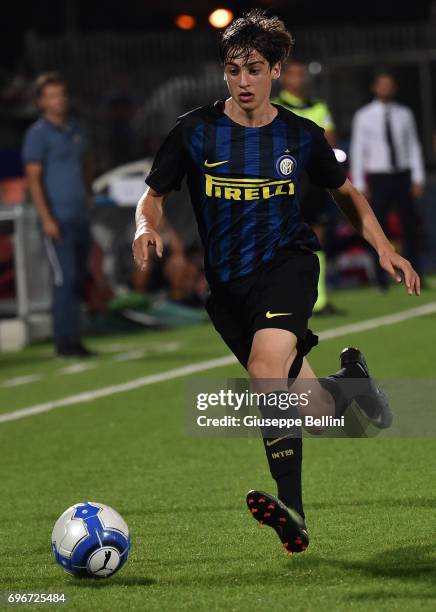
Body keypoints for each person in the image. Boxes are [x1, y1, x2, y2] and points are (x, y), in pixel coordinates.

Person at [132, 11, 419, 555]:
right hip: (227, 291)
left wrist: (385, 248)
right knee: (312, 409)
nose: (243, 81)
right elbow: (153, 195)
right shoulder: (194, 132)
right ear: (224, 72)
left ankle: (294, 511)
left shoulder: (299, 135)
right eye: (234, 69)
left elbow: (346, 194)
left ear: (277, 70)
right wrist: (147, 226)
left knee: (267, 370)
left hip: (287, 266)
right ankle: (352, 383)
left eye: (255, 69)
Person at [22, 72, 95, 358]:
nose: (59, 100)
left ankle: (74, 337)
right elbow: (33, 180)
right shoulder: (37, 135)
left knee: (78, 278)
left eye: (61, 94)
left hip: (79, 216)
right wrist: (47, 218)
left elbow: (86, 163)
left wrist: (87, 195)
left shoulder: (75, 129)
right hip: (58, 219)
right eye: (52, 96)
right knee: (64, 278)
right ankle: (63, 340)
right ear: (41, 102)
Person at [273, 59, 341, 315]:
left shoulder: (319, 106)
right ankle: (283, 297)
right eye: (294, 75)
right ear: (283, 78)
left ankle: (320, 300)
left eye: (301, 75)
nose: (298, 79)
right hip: (285, 180)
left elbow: (330, 140)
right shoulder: (275, 107)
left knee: (317, 237)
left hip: (313, 179)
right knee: (283, 239)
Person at [350, 70, 425, 290]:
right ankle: (381, 279)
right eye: (381, 84)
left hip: (402, 175)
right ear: (375, 88)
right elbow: (358, 150)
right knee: (377, 226)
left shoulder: (405, 114)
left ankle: (415, 273)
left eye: (389, 85)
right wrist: (360, 185)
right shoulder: (363, 116)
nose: (385, 89)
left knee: (409, 226)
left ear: (394, 88)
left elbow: (413, 147)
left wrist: (418, 177)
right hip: (379, 177)